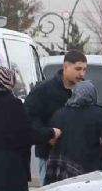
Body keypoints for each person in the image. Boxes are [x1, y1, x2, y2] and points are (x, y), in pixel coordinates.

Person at [25, 49, 87, 183]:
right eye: (78, 69)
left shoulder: (85, 91)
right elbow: (30, 117)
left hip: (76, 156)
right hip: (48, 155)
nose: (82, 74)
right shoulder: (44, 90)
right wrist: (48, 135)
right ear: (65, 66)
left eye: (84, 69)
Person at [45, 80, 102, 183]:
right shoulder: (101, 114)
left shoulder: (60, 113)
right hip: (90, 168)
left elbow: (51, 140)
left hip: (63, 169)